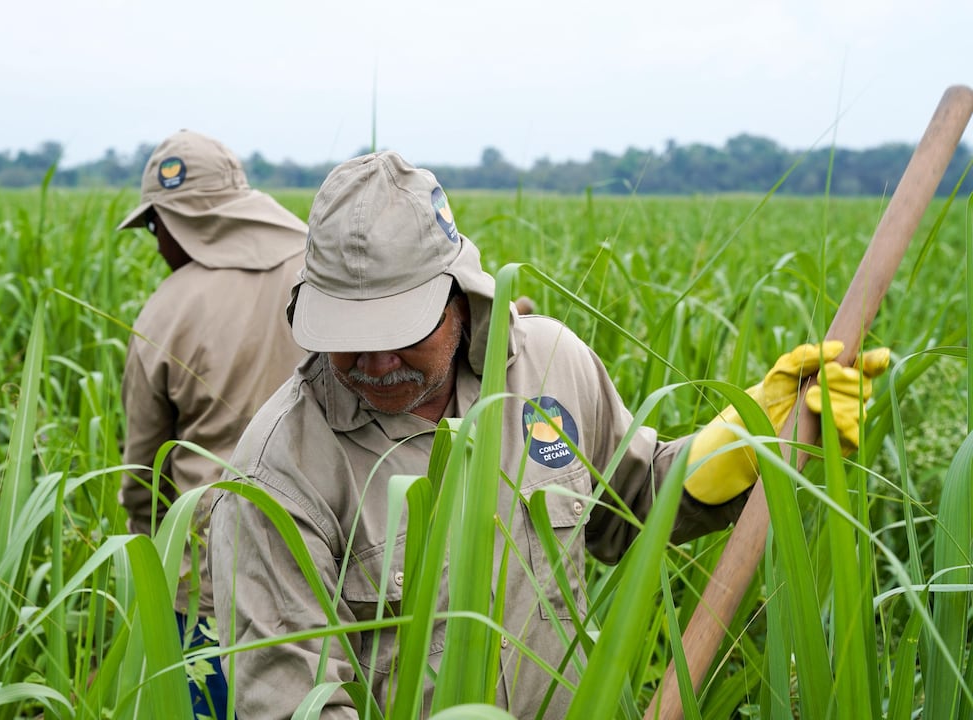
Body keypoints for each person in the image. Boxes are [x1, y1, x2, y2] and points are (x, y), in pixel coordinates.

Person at [208, 150, 888, 719]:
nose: (376, 364)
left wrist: (743, 447)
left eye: (400, 333)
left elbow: (629, 508)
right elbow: (289, 702)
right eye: (349, 339)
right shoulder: (276, 474)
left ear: (460, 296)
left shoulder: (551, 365)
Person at [117, 129, 309, 718]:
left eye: (157, 228)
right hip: (341, 572)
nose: (157, 246)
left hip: (211, 590)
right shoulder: (331, 274)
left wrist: (158, 579)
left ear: (180, 224)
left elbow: (143, 479)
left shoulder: (167, 312)